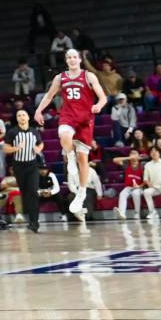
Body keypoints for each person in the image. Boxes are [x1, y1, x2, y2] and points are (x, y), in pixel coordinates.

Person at [32, 48, 106, 222]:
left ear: (79, 59)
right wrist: (38, 110)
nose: (72, 59)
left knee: (83, 159)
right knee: (64, 136)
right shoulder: (60, 78)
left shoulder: (89, 76)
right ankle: (69, 157)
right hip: (68, 115)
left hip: (86, 119)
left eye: (74, 57)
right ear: (66, 60)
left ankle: (82, 192)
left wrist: (99, 106)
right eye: (69, 57)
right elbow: (49, 96)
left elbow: (103, 97)